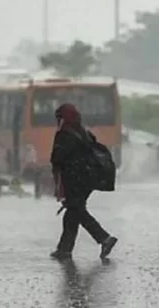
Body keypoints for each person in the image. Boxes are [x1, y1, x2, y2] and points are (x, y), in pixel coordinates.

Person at [50, 103, 118, 260]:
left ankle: (104, 238)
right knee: (72, 213)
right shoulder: (83, 132)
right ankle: (64, 249)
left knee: (77, 211)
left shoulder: (64, 134)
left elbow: (57, 158)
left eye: (59, 118)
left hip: (74, 180)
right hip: (87, 179)